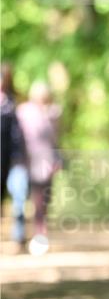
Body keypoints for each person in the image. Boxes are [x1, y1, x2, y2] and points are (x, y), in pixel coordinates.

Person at [16, 80, 61, 255]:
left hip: (47, 162)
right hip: (26, 162)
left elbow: (56, 140)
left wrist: (58, 159)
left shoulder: (54, 113)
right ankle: (21, 236)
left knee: (43, 203)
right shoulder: (23, 111)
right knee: (29, 201)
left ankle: (40, 238)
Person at [1, 63, 29, 251]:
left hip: (10, 160)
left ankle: (19, 236)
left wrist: (19, 158)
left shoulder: (11, 106)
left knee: (18, 196)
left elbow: (17, 135)